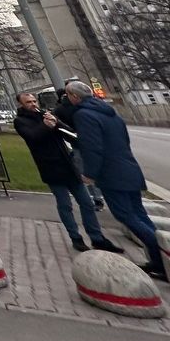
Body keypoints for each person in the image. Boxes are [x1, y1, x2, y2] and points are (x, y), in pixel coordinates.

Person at [66, 80, 168, 281]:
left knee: (126, 216)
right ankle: (161, 258)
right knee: (139, 215)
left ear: (74, 97)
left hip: (112, 174)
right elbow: (124, 141)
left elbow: (92, 147)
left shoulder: (83, 115)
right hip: (129, 168)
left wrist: (90, 173)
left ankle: (160, 258)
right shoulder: (110, 112)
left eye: (69, 95)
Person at [12, 92, 122, 254]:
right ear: (21, 105)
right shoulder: (20, 121)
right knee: (65, 205)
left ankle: (97, 237)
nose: (33, 104)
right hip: (51, 168)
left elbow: (69, 132)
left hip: (68, 165)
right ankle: (76, 238)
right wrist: (46, 126)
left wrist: (57, 122)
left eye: (34, 101)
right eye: (28, 102)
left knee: (87, 203)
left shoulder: (45, 114)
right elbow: (33, 137)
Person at [53, 82, 104, 211]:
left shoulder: (60, 109)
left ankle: (96, 198)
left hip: (77, 144)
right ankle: (100, 195)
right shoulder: (83, 107)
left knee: (85, 173)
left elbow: (58, 126)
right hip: (92, 143)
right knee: (98, 170)